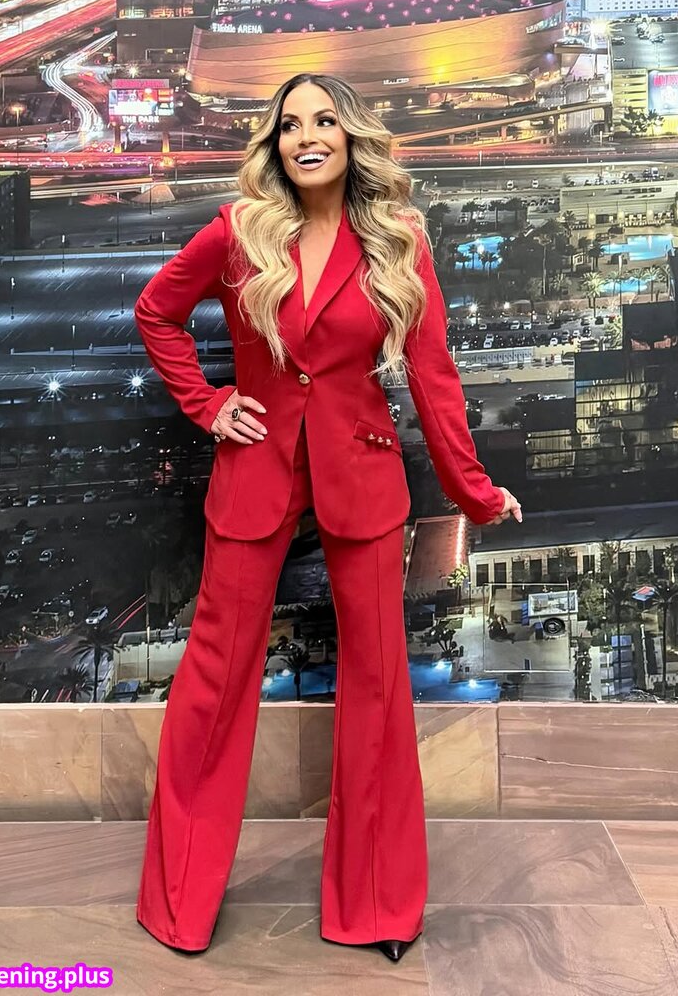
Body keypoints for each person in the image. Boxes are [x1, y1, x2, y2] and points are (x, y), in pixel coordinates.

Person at [133, 71, 523, 963]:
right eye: (289, 124)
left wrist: (472, 489)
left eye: (324, 121)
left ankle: (378, 905)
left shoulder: (397, 237)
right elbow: (157, 313)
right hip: (254, 472)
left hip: (364, 476)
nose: (306, 136)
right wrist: (208, 405)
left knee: (379, 685)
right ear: (274, 144)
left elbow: (433, 373)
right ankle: (178, 901)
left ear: (351, 138)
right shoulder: (237, 231)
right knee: (213, 680)